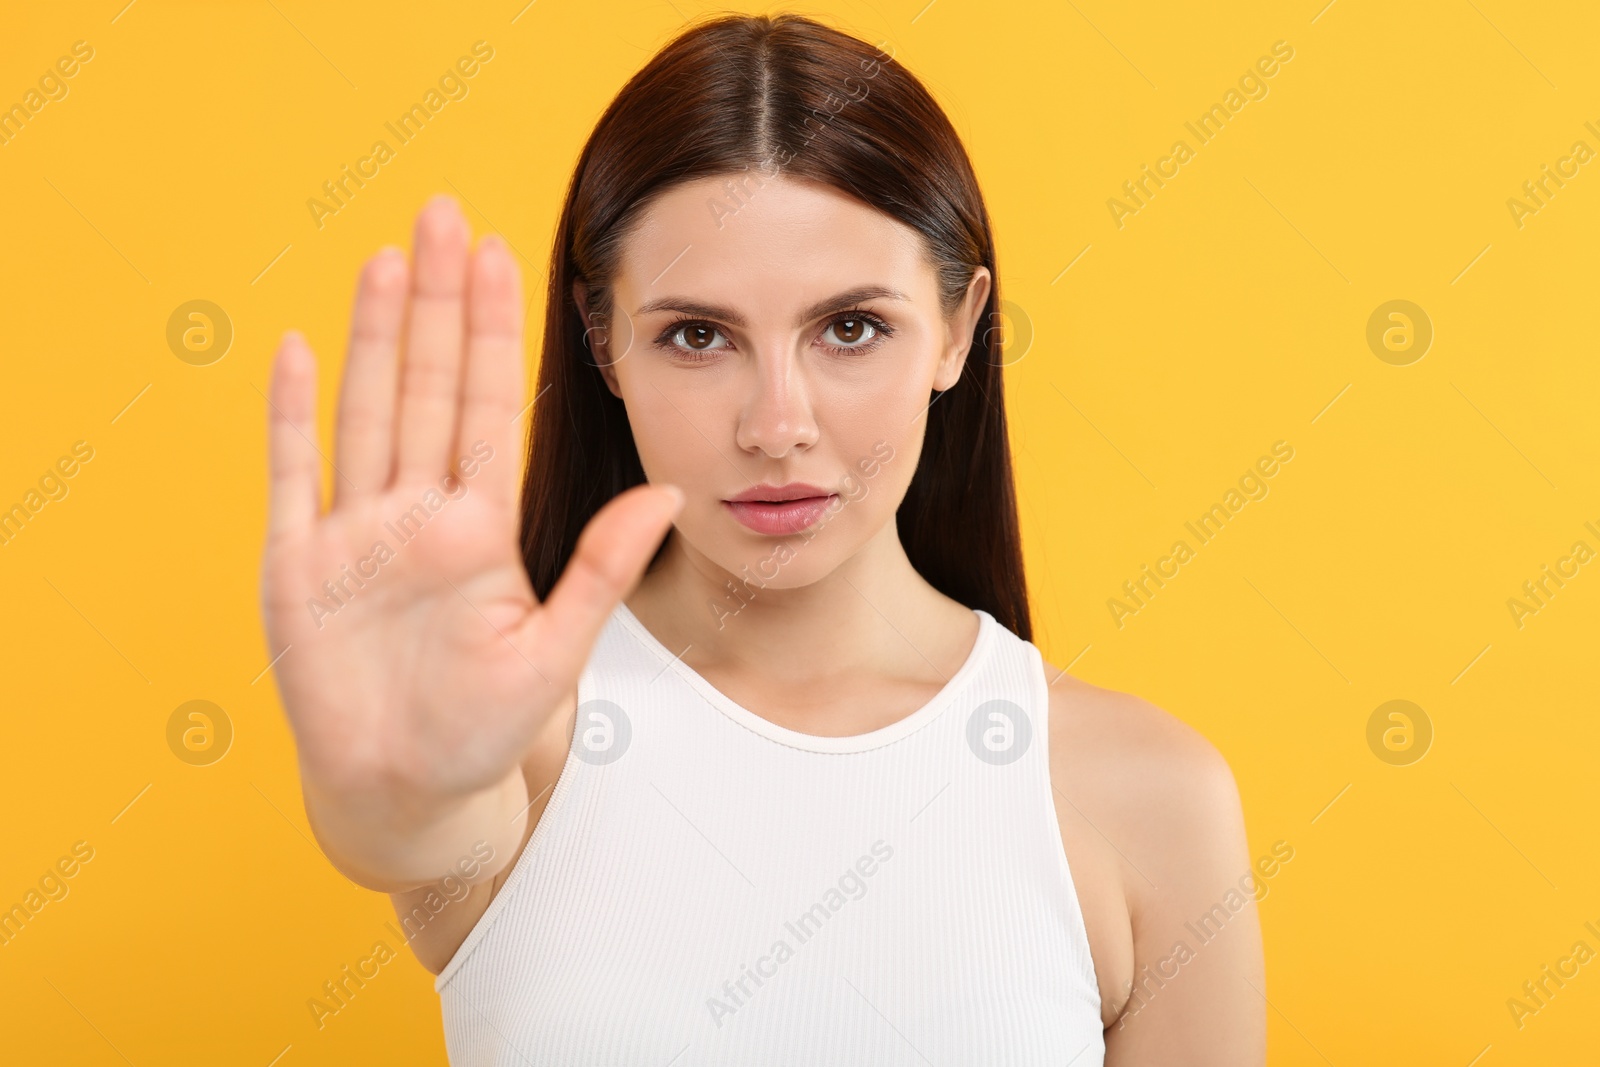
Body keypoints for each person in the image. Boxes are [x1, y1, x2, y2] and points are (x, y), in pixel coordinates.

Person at [259, 12, 1263, 1064]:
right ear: (603, 342)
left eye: (850, 327)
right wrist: (386, 782)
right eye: (697, 335)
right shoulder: (516, 742)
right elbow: (413, 821)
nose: (776, 424)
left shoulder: (1151, 797)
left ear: (961, 329)